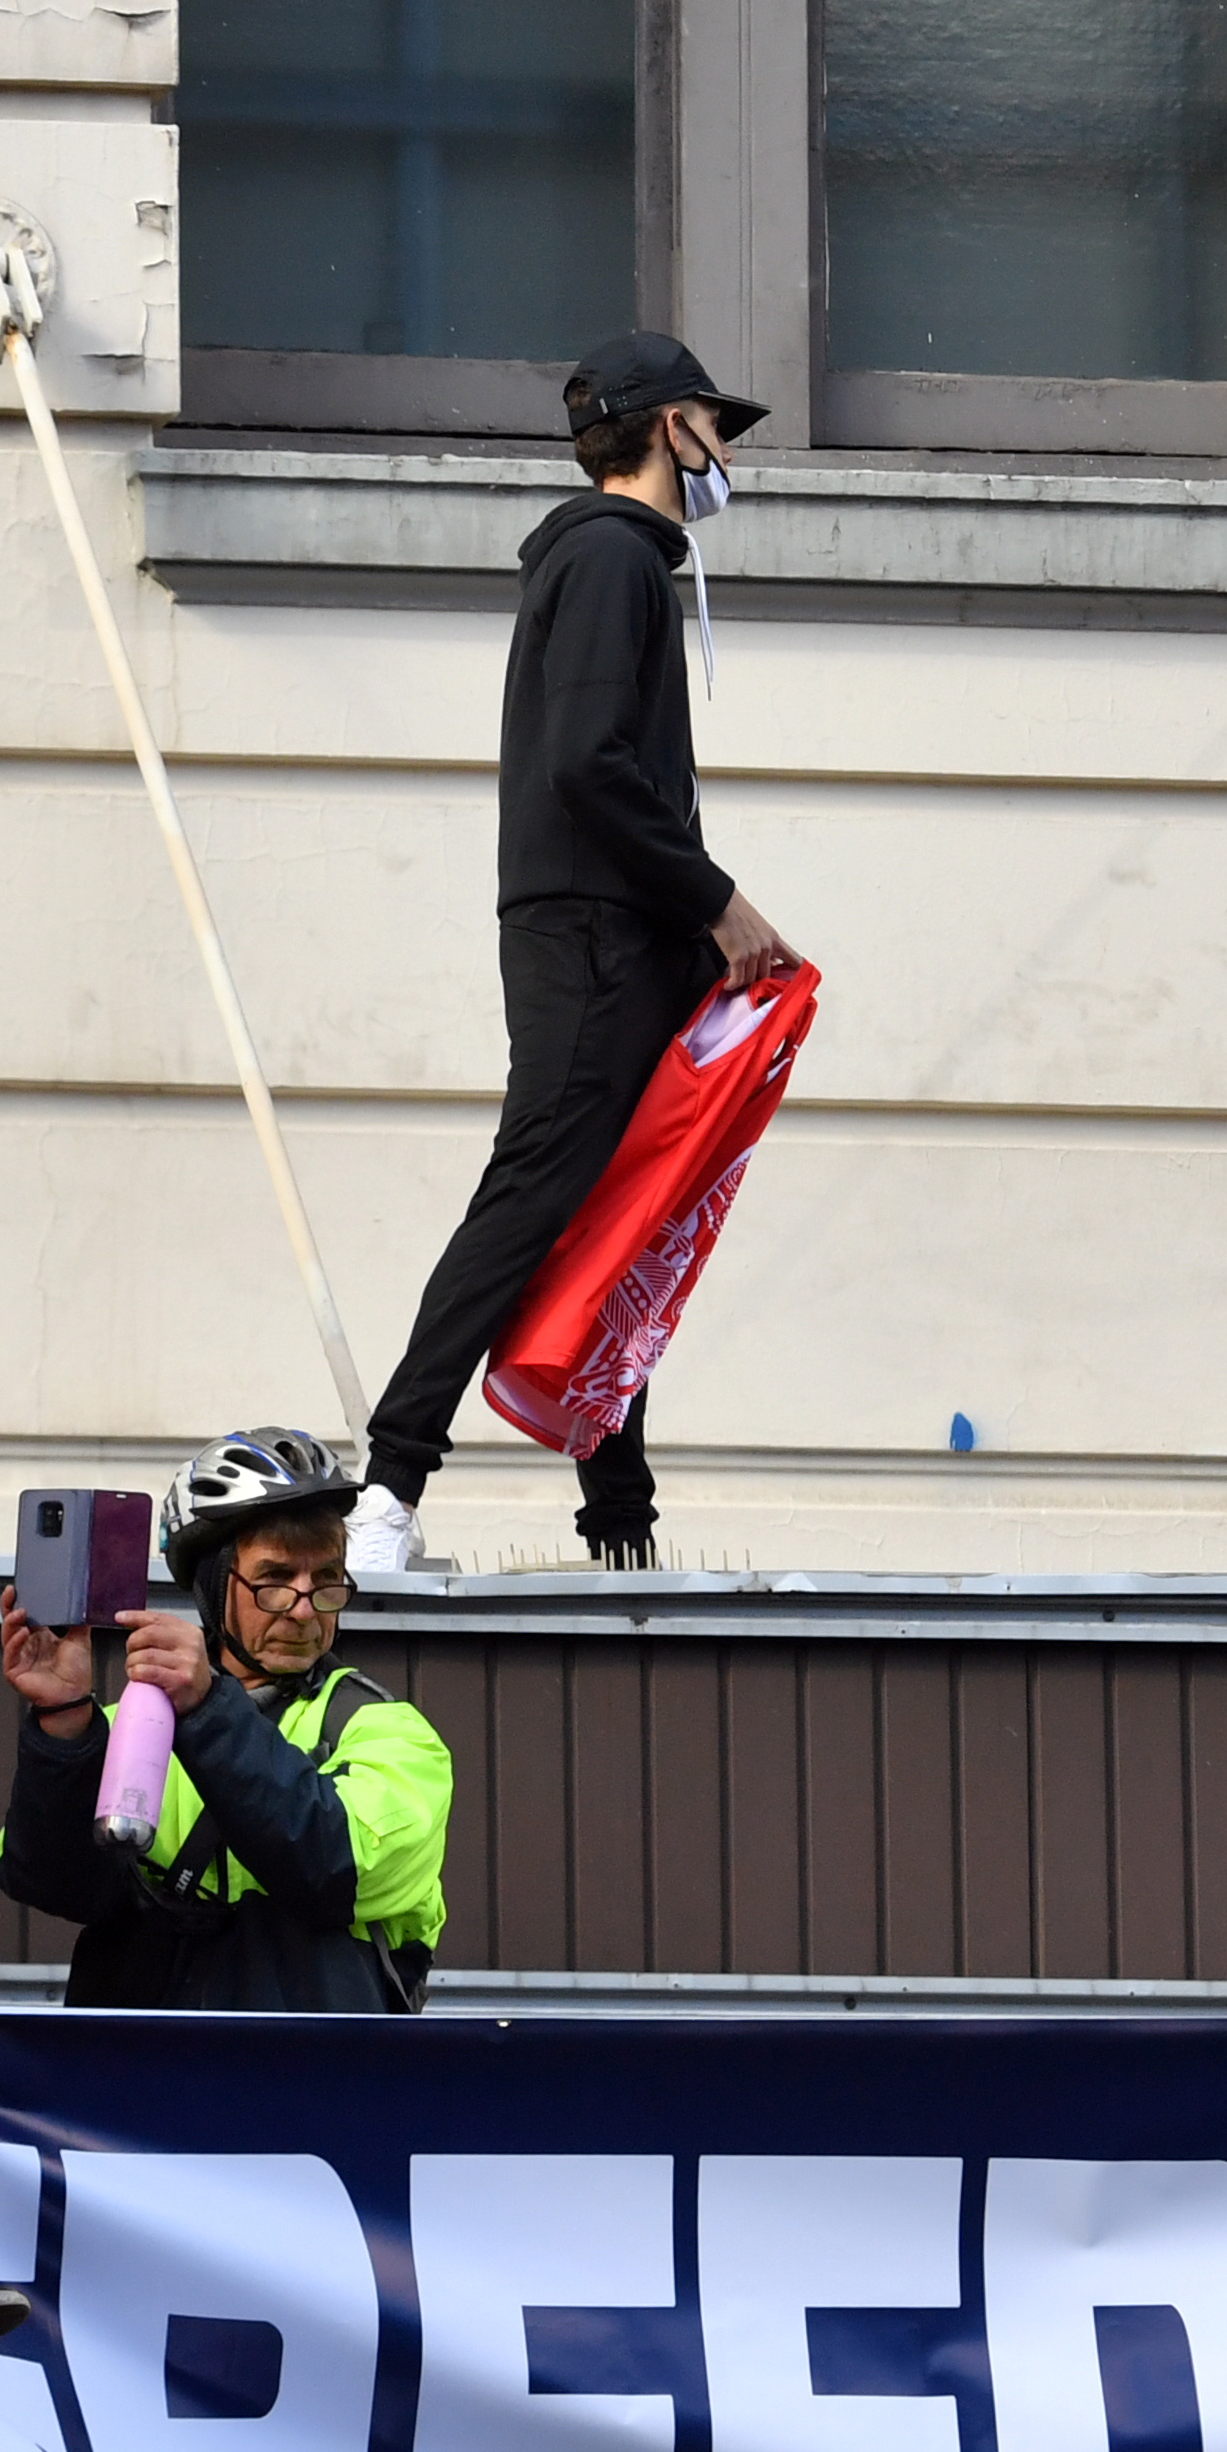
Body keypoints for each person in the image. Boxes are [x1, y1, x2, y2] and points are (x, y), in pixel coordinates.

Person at [349, 336, 798, 1579]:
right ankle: (386, 1490)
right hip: (597, 933)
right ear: (668, 428)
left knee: (618, 1209)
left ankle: (619, 1528)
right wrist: (717, 902)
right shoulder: (610, 557)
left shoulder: (617, 560)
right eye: (715, 424)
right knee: (540, 1191)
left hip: (618, 930)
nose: (725, 451)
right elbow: (588, 765)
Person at [0, 1427, 454, 2011]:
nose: (304, 1610)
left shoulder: (389, 1730)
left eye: (327, 1580)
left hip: (318, 2067)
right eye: (275, 1580)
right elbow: (53, 1885)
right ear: (212, 1584)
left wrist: (208, 1709)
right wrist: (62, 1720)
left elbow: (332, 1868)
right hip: (141, 2068)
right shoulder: (125, 1725)